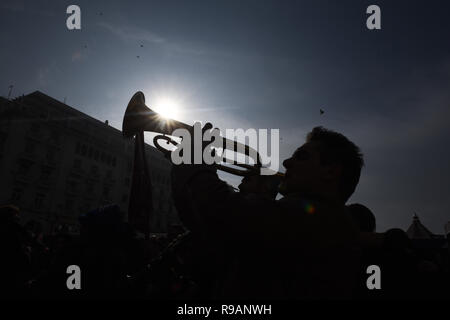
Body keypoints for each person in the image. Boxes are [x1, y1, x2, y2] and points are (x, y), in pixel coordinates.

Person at [171, 126, 364, 299]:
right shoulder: (319, 216)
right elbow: (202, 222)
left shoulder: (317, 218)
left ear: (330, 171)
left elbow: (218, 209)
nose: (287, 162)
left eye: (301, 156)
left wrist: (193, 155)